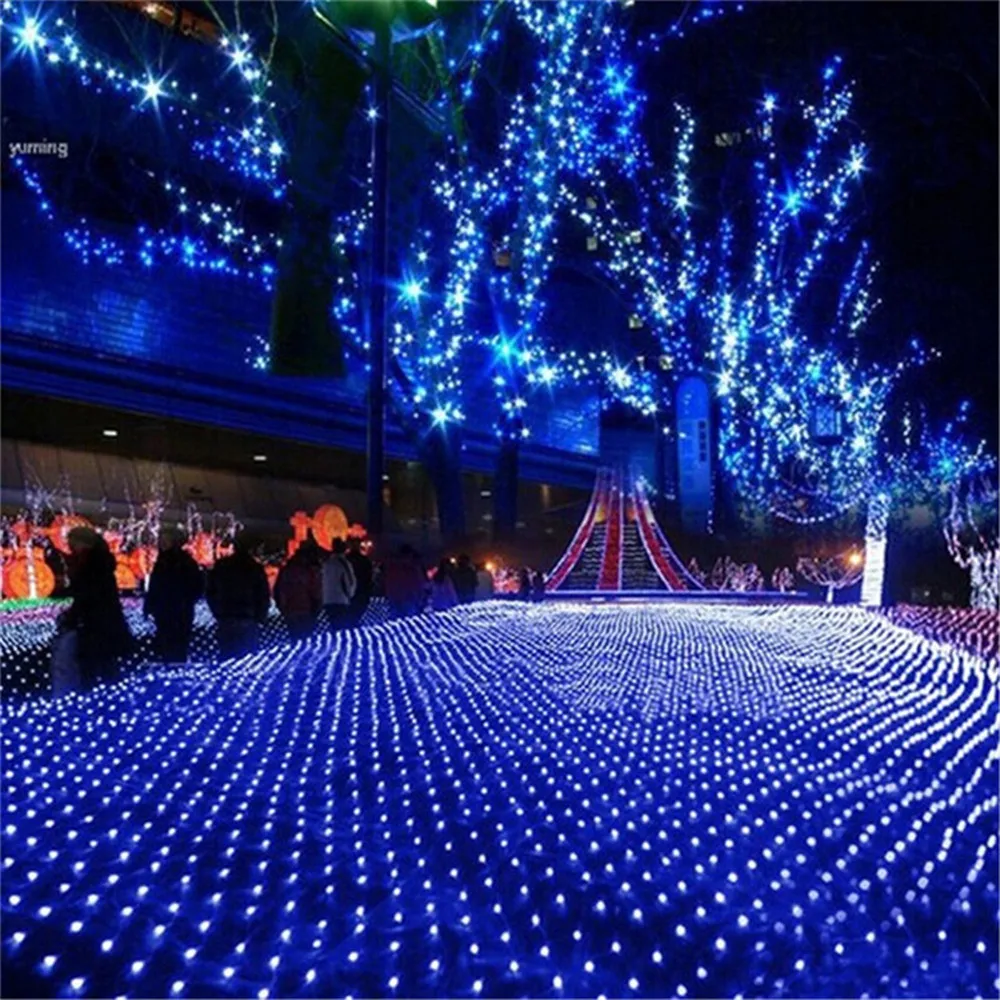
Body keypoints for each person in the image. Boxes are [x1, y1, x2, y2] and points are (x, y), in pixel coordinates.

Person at [54, 527, 133, 691]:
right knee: (105, 665)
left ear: (84, 543)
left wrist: (71, 616)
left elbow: (87, 593)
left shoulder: (91, 564)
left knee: (94, 664)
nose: (70, 546)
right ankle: (107, 693)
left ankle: (96, 695)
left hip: (95, 621)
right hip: (103, 619)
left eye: (72, 542)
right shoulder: (97, 562)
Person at [144, 527, 203, 662]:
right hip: (172, 610)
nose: (161, 543)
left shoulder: (179, 562)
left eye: (166, 540)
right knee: (173, 644)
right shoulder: (165, 561)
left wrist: (184, 601)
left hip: (174, 610)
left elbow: (197, 585)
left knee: (173, 643)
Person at [206, 533, 270, 658]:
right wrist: (261, 616)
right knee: (248, 658)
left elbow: (210, 591)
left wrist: (217, 612)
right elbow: (263, 594)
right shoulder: (254, 567)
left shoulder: (221, 566)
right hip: (247, 617)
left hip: (226, 616)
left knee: (227, 655)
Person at [274, 537, 323, 641]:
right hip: (305, 610)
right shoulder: (309, 570)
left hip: (290, 611)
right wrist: (317, 608)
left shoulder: (286, 569)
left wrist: (282, 608)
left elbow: (277, 590)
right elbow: (316, 591)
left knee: (295, 639)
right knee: (307, 640)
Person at [322, 538, 357, 632]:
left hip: (327, 600)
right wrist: (350, 595)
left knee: (333, 628)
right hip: (341, 600)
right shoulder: (344, 563)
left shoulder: (327, 563)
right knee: (342, 629)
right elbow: (350, 582)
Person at [384, 545, 427, 619]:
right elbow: (419, 585)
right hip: (409, 600)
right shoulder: (413, 569)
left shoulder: (393, 568)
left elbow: (389, 584)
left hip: (396, 600)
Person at [345, 539, 374, 627]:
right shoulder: (364, 560)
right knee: (355, 617)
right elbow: (369, 577)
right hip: (360, 593)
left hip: (348, 593)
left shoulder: (345, 560)